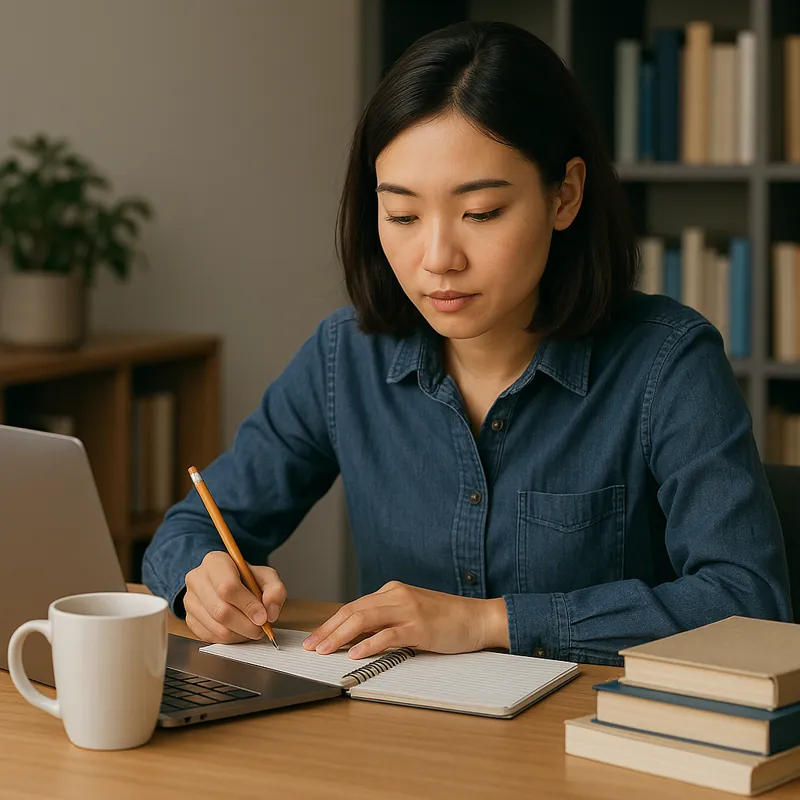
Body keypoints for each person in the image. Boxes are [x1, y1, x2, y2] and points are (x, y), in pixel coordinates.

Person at [142, 20, 792, 666]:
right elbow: (190, 530)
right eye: (401, 215)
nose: (437, 259)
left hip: (596, 747)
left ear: (565, 195)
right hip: (404, 742)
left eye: (480, 213)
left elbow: (747, 601)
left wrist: (487, 621)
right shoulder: (346, 356)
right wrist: (199, 582)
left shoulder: (666, 364)